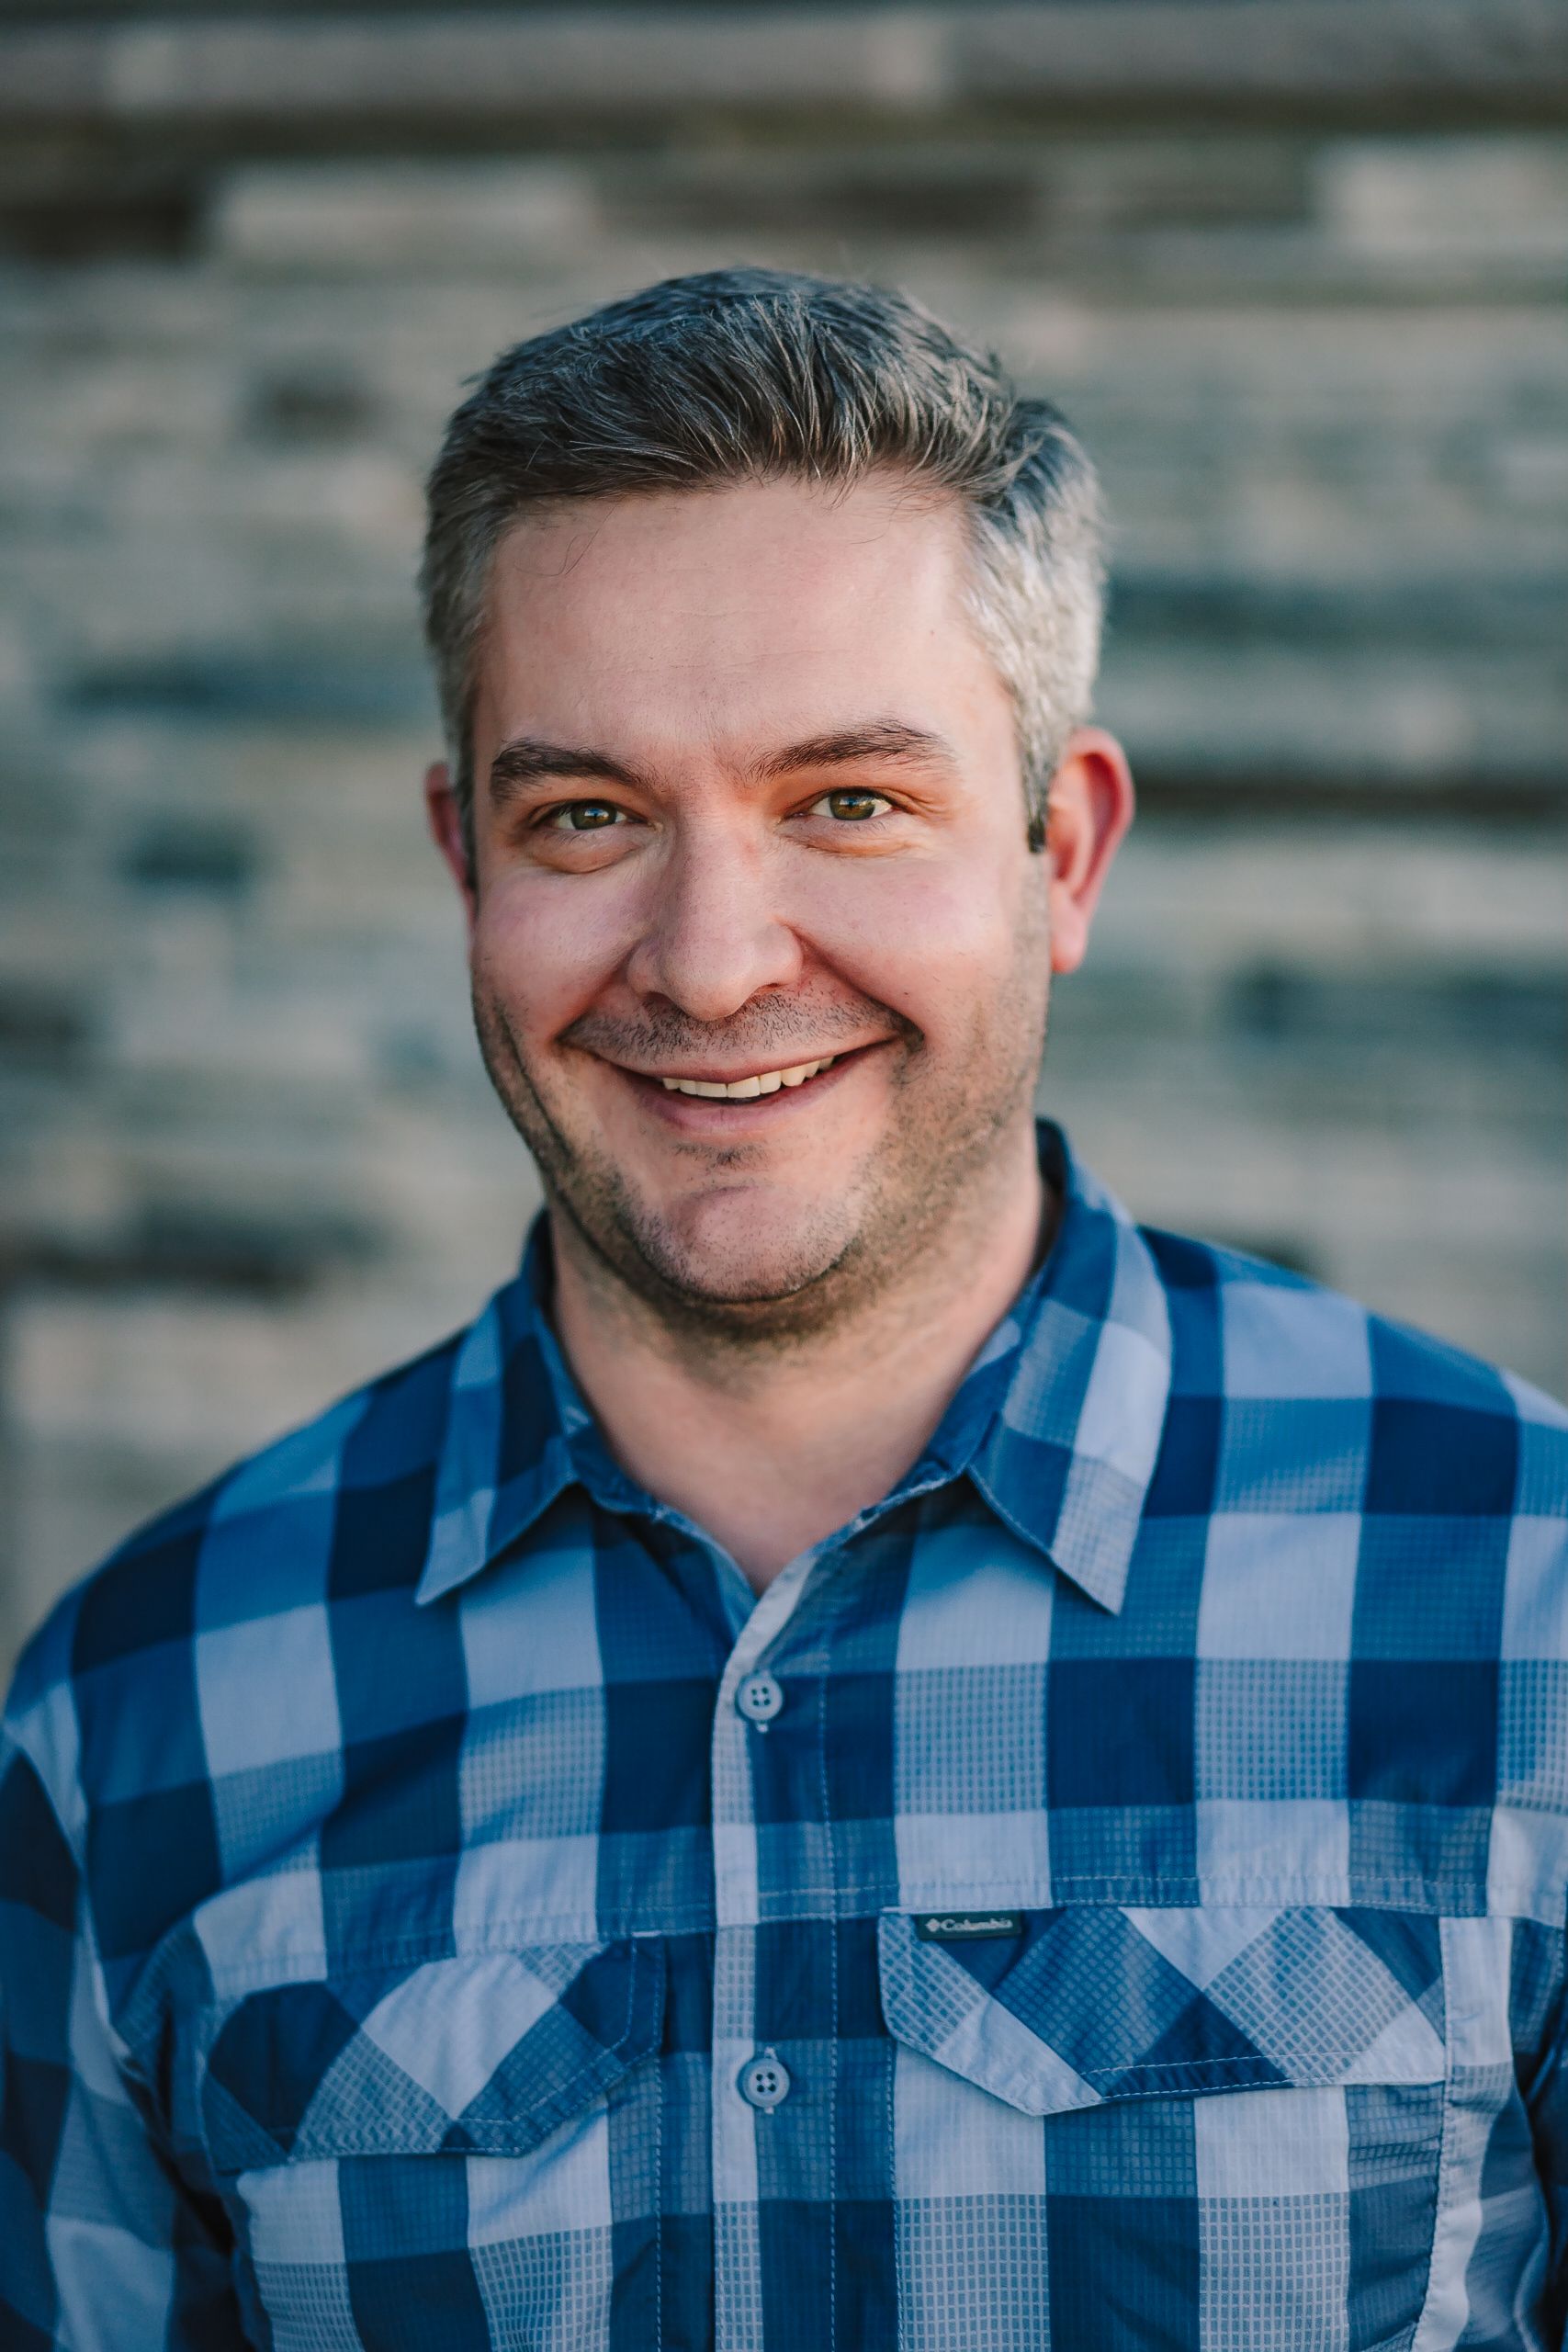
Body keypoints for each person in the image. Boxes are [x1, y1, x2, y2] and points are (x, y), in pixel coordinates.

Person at [3, 267, 1565, 2352]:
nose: (713, 958)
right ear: (465, 859)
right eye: (588, 815)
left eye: (848, 799)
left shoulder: (1521, 1608)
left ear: (1059, 850)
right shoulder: (142, 1715)